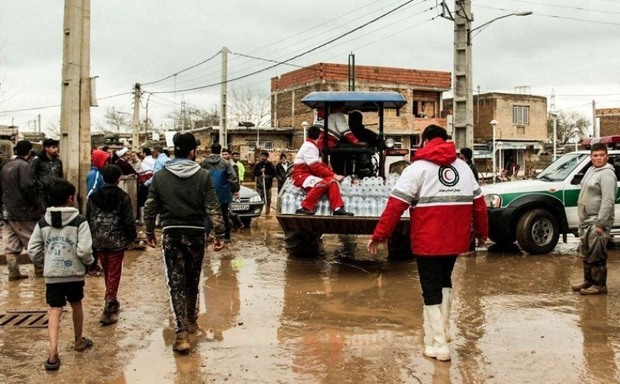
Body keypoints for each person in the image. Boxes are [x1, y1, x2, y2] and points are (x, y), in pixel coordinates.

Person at [367, 125, 488, 362]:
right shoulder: (463, 168)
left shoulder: (417, 169)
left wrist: (379, 235)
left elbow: (395, 206)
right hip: (455, 240)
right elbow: (480, 205)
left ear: (424, 141)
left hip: (428, 240)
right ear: (445, 140)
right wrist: (482, 233)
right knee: (445, 281)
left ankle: (440, 345)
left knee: (430, 288)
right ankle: (443, 331)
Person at [143, 132, 225, 354]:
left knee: (175, 281)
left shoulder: (160, 177)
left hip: (171, 233)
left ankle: (181, 332)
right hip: (196, 234)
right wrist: (220, 234)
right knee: (192, 279)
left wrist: (149, 230)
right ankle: (190, 321)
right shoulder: (204, 175)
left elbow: (150, 207)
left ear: (174, 150)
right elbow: (213, 207)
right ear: (192, 152)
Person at [27, 179, 95, 371]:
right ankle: (78, 342)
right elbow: (84, 250)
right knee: (76, 305)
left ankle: (52, 354)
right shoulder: (79, 221)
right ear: (71, 199)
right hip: (74, 274)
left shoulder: (43, 222)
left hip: (52, 275)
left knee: (54, 310)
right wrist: (89, 263)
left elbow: (33, 249)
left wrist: (44, 262)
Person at [86, 165, 137, 325]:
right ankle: (109, 301)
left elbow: (88, 218)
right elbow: (128, 219)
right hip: (116, 241)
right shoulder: (122, 196)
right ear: (118, 178)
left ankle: (111, 297)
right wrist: (131, 238)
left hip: (99, 240)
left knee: (108, 269)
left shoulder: (93, 197)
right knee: (114, 271)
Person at [571, 143, 617, 295]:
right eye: (595, 155)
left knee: (597, 254)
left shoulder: (607, 174)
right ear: (590, 157)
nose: (598, 158)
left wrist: (601, 223)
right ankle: (589, 281)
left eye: (601, 155)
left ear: (607, 157)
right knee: (587, 252)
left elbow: (608, 200)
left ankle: (599, 285)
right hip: (586, 220)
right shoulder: (591, 170)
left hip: (596, 221)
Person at [1, 140, 44, 280]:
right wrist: (36, 205)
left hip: (7, 211)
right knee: (34, 242)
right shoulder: (25, 166)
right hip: (23, 212)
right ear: (29, 152)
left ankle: (13, 273)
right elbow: (28, 187)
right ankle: (40, 272)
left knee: (11, 245)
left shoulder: (6, 167)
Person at [291, 125, 353, 216]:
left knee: (332, 182)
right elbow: (316, 167)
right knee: (322, 183)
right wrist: (335, 175)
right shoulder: (309, 146)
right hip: (301, 176)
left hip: (309, 175)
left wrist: (333, 175)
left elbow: (321, 165)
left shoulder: (313, 146)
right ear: (320, 136)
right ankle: (304, 207)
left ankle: (337, 208)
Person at [200, 143, 240, 243]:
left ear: (211, 150)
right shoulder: (225, 163)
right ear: (220, 151)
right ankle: (226, 237)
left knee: (208, 215)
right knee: (225, 215)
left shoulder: (204, 163)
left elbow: (198, 177)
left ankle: (205, 235)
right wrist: (236, 190)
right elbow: (233, 178)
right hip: (223, 194)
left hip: (208, 194)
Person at [31, 138, 64, 209]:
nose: (56, 149)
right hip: (42, 192)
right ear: (46, 148)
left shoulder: (58, 161)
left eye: (56, 147)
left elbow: (60, 175)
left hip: (55, 191)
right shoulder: (38, 160)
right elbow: (33, 176)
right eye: (53, 147)